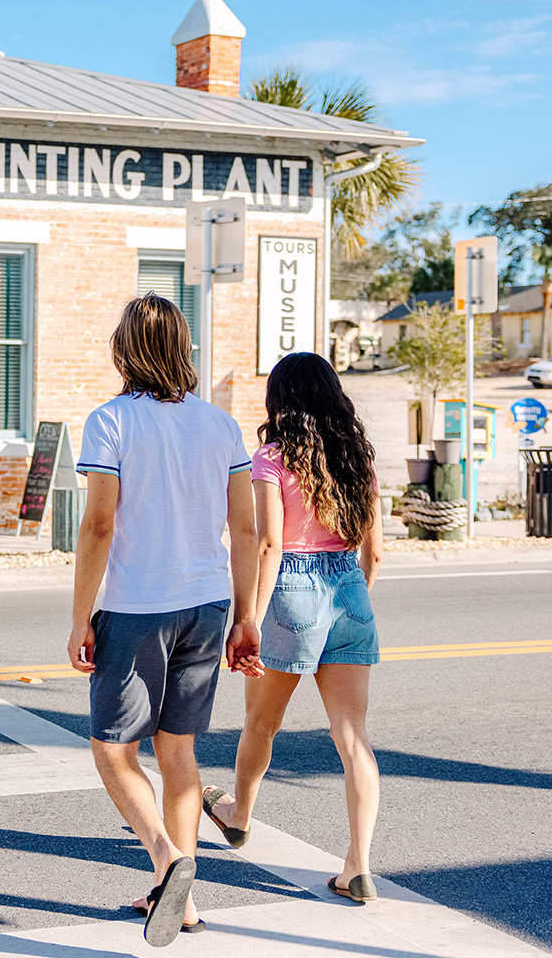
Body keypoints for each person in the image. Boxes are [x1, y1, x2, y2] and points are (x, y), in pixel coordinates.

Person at [68, 294, 262, 948]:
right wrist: (244, 615)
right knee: (176, 749)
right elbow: (245, 528)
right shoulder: (220, 424)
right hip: (207, 603)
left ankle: (166, 858)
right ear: (184, 348)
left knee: (112, 748)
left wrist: (79, 618)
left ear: (124, 350)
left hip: (136, 603)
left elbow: (98, 524)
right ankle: (182, 900)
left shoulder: (110, 422)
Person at [200, 351, 383, 904]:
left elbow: (269, 543)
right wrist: (350, 601)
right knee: (353, 740)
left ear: (280, 401)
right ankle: (358, 865)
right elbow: (374, 552)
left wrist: (249, 617)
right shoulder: (358, 457)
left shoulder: (273, 457)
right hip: (349, 590)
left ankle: (238, 815)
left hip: (293, 590)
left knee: (261, 724)